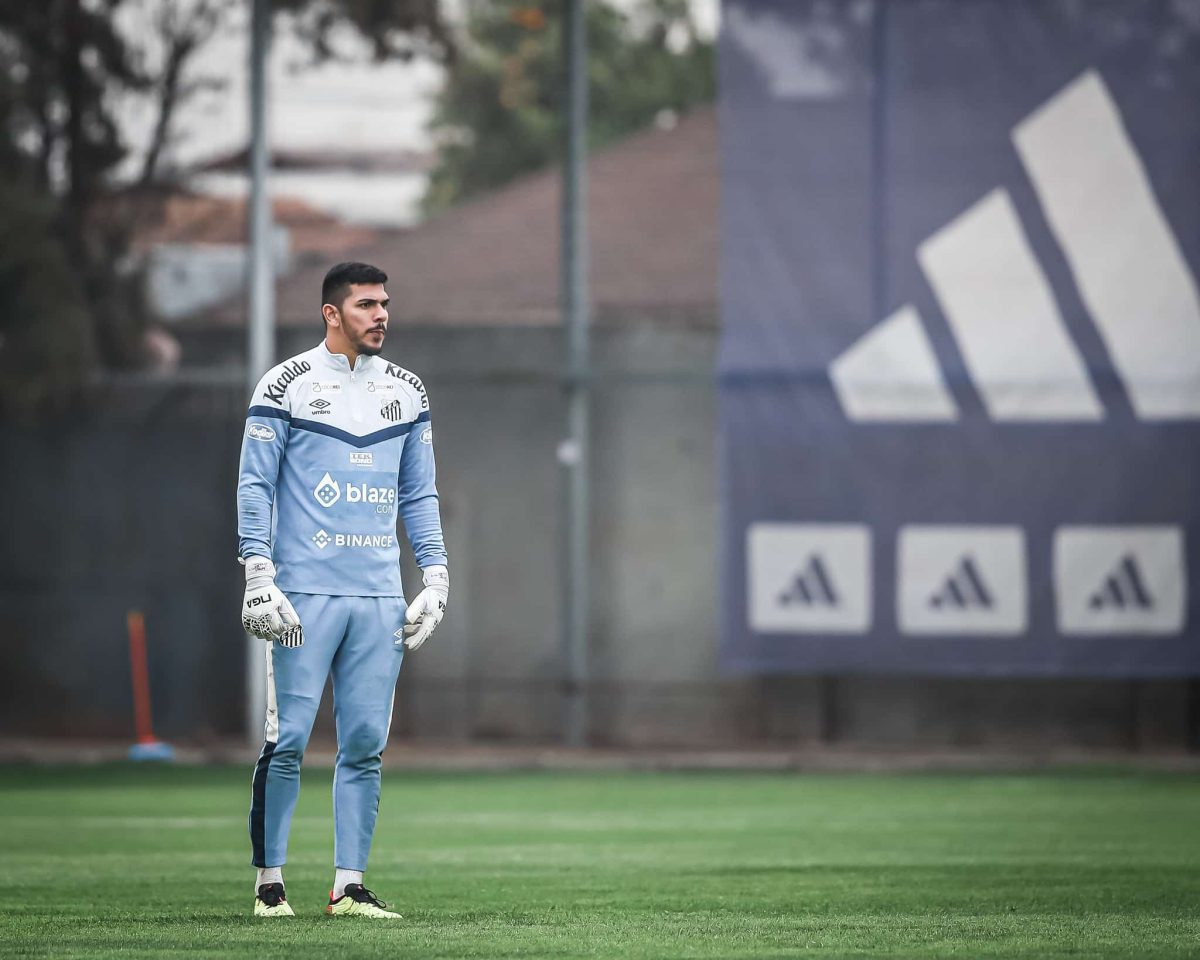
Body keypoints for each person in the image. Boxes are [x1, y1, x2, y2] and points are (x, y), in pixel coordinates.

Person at [237, 261, 449, 918]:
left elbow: (418, 493)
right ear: (332, 313)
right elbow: (255, 485)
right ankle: (270, 885)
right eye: (365, 305)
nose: (381, 315)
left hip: (379, 600)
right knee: (290, 738)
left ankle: (348, 886)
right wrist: (257, 576)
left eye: (384, 303)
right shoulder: (285, 385)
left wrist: (436, 578)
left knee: (364, 744)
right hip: (301, 600)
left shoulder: (408, 392)